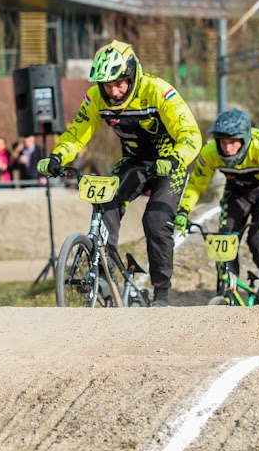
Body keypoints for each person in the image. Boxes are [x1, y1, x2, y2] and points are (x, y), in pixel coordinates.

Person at [38, 40, 202, 307]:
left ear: (132, 74)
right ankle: (102, 276)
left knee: (156, 221)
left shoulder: (158, 91)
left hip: (169, 163)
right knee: (105, 204)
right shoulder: (95, 98)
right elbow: (77, 134)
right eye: (107, 85)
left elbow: (191, 135)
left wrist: (174, 159)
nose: (113, 91)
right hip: (133, 161)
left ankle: (161, 292)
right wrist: (57, 157)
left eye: (119, 83)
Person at [173, 108, 259, 307]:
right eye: (223, 142)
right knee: (224, 240)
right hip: (236, 193)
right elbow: (196, 184)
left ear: (244, 139)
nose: (227, 148)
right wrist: (183, 211)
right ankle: (227, 288)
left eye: (233, 142)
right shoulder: (209, 153)